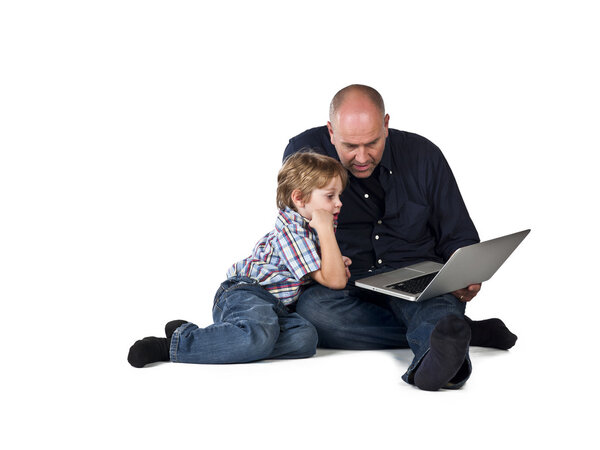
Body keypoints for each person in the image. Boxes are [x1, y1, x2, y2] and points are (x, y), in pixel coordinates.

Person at [283, 84, 517, 390]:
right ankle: (456, 330)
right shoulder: (305, 154)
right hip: (345, 281)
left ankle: (437, 363)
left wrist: (467, 274)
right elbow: (292, 224)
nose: (362, 157)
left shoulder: (424, 155)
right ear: (331, 131)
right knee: (314, 311)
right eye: (350, 146)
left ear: (386, 125)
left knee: (434, 302)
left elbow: (457, 232)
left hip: (416, 274)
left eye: (372, 143)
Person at [127, 152, 350, 368]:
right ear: (299, 198)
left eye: (339, 195)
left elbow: (329, 272)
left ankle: (211, 338)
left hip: (276, 307)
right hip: (246, 293)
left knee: (305, 339)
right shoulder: (292, 230)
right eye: (330, 196)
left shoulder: (309, 228)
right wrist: (325, 228)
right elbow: (335, 281)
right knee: (258, 337)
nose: (339, 203)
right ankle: (172, 345)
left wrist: (337, 262)